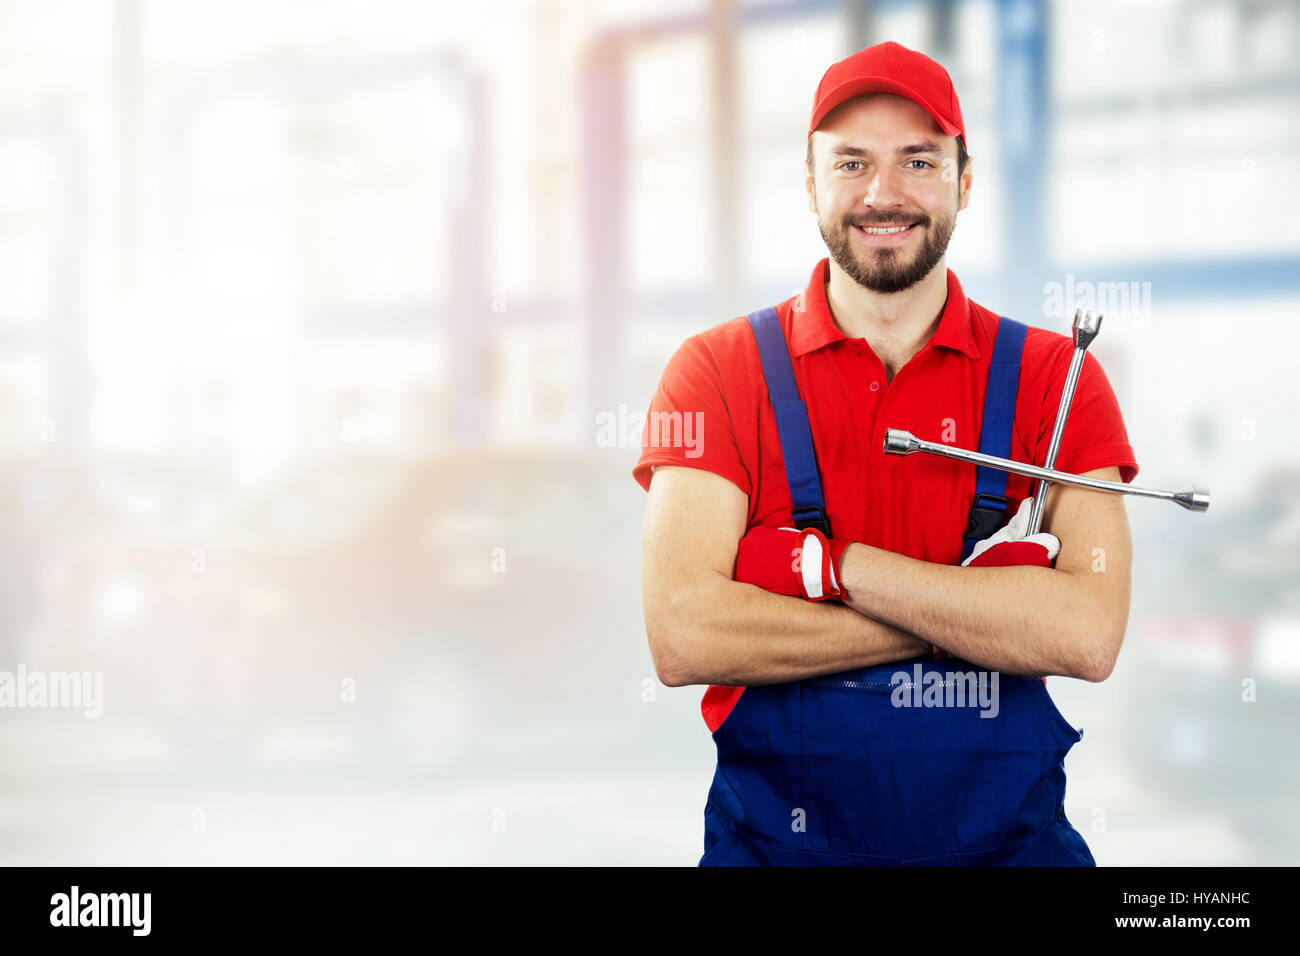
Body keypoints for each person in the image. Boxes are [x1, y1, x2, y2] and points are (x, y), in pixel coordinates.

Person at [634, 41, 1139, 866]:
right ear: (809, 184)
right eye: (851, 163)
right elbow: (684, 635)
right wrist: (978, 610)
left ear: (964, 181)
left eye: (917, 160)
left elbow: (1086, 635)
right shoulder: (717, 372)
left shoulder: (1060, 382)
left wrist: (839, 570)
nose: (883, 194)